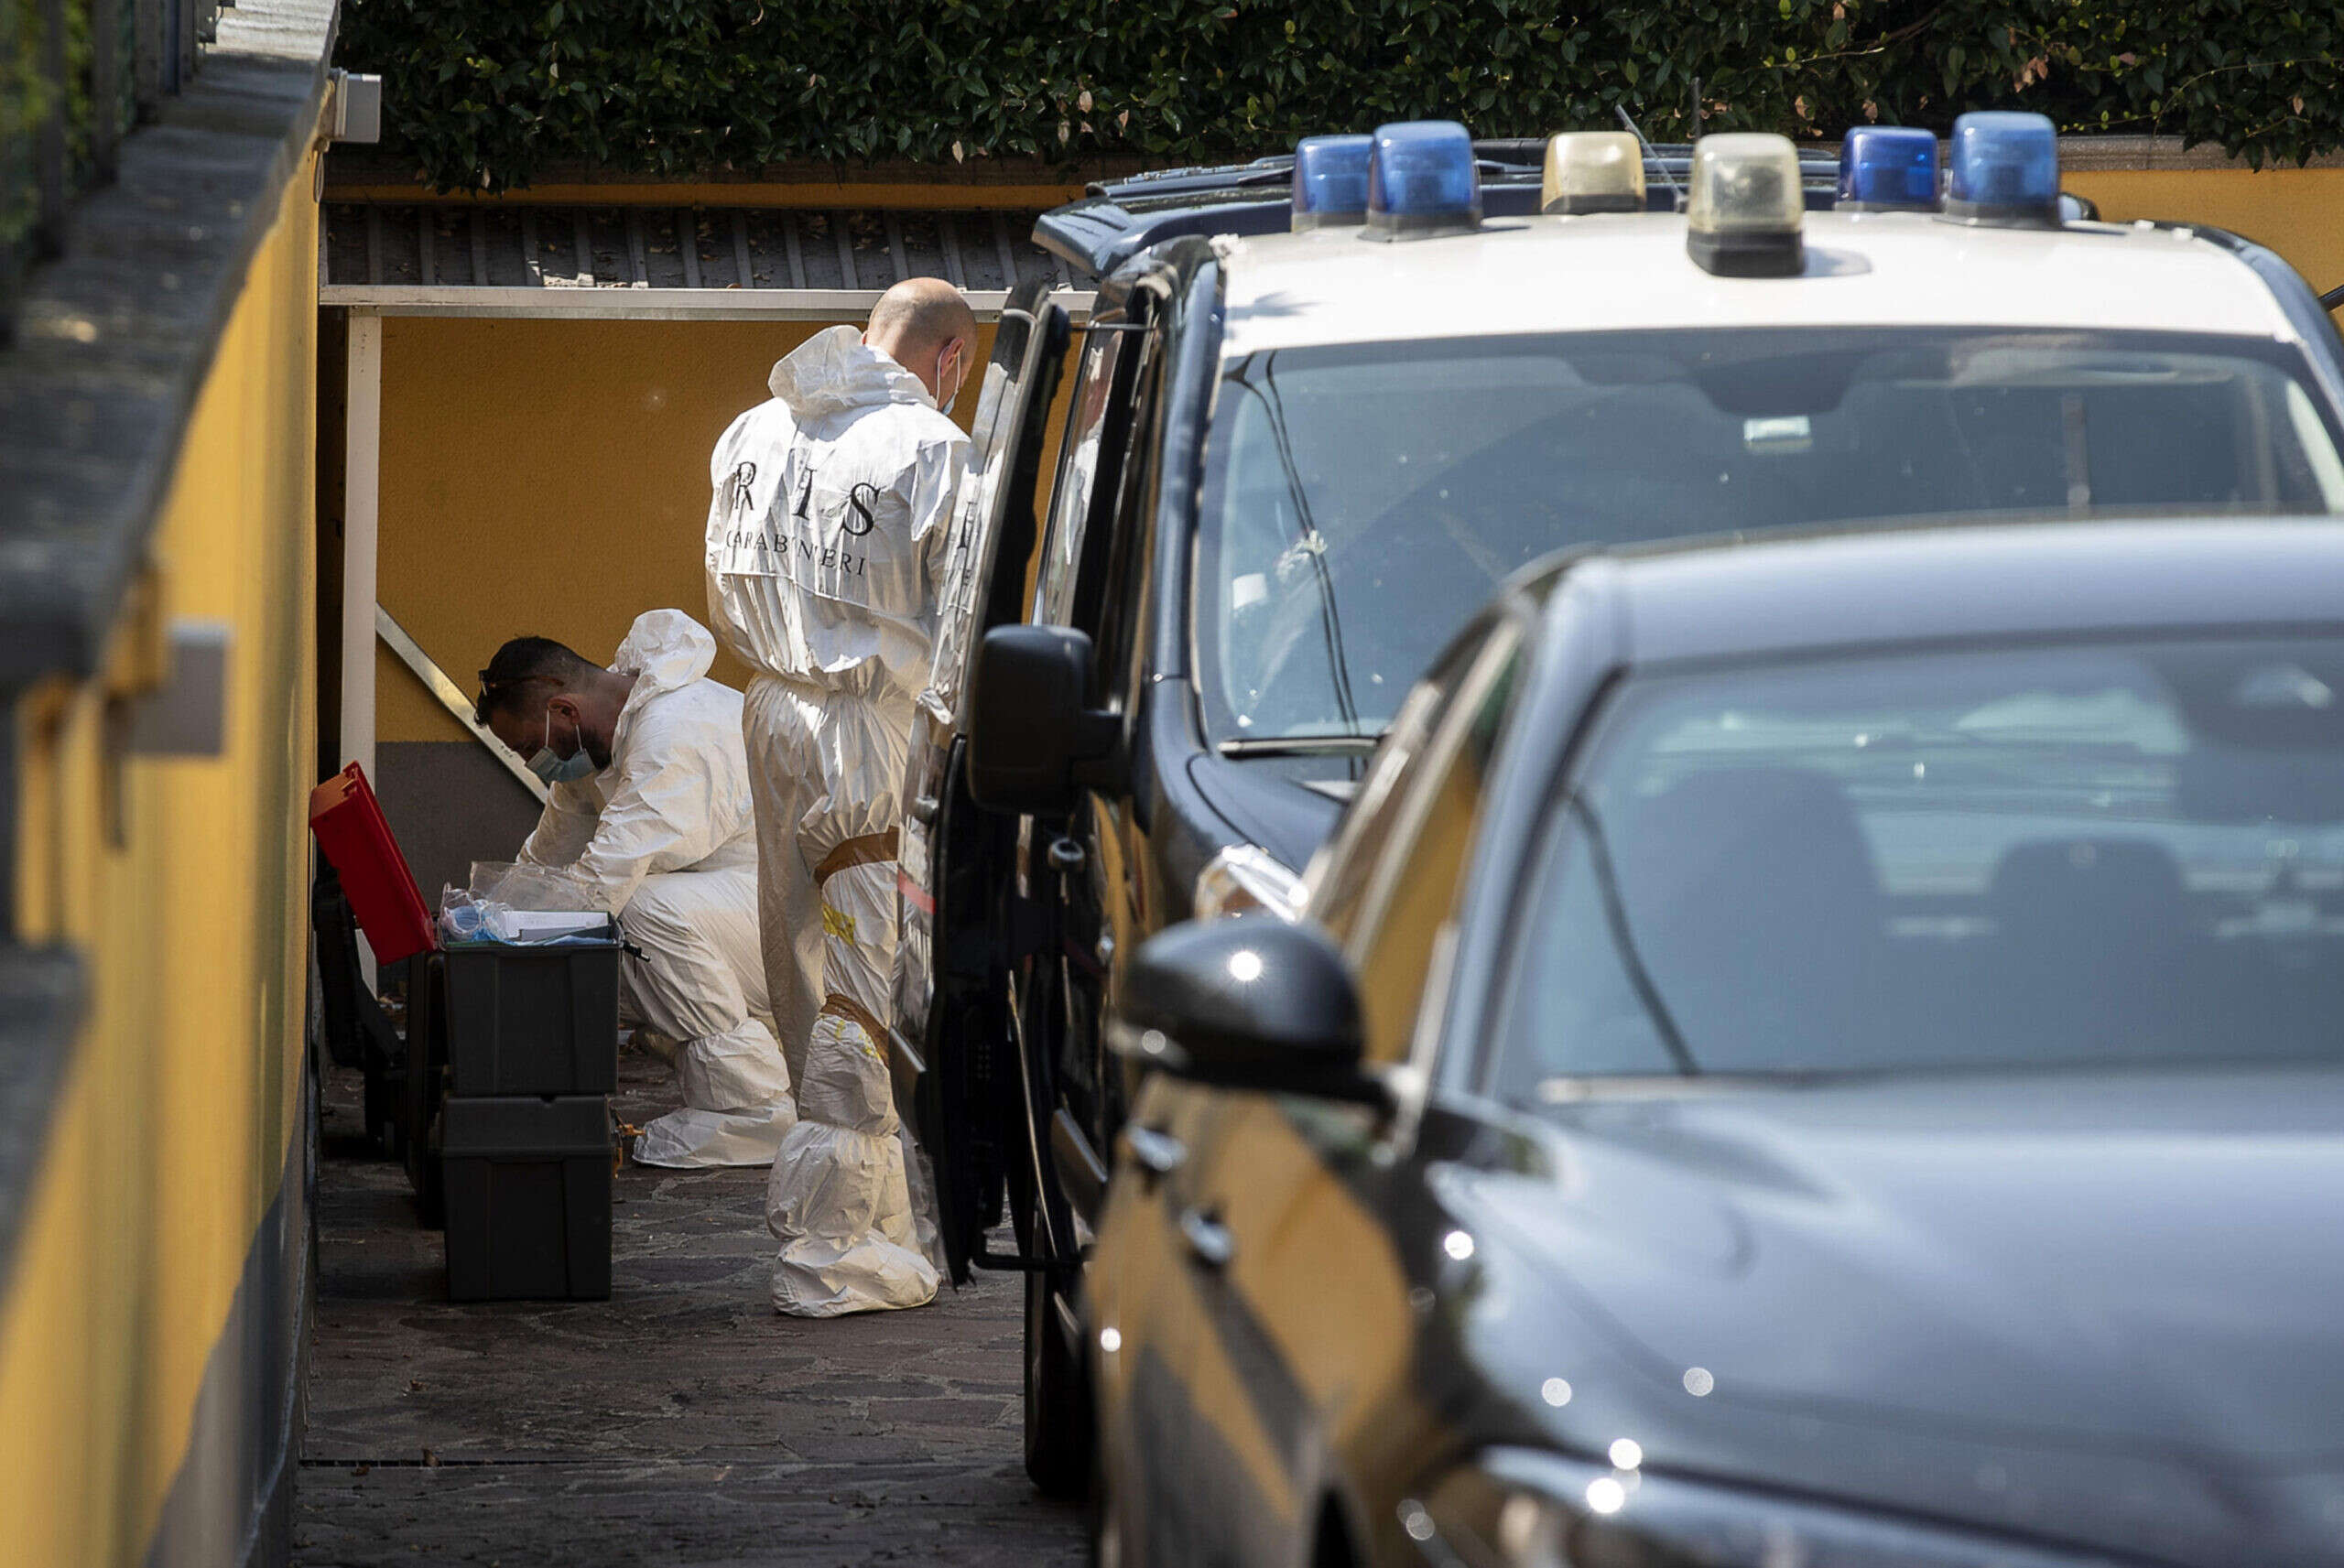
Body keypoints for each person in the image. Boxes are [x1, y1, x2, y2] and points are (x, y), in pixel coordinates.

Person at [704, 277, 974, 1316]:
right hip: (870, 726)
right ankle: (836, 1249)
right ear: (950, 361)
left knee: (802, 966)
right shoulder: (932, 450)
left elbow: (727, 584)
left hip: (769, 707)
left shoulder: (752, 430)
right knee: (870, 975)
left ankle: (870, 1214)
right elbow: (956, 625)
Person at [476, 610, 797, 1168]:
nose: (533, 763)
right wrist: (480, 922)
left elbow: (600, 886)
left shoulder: (673, 734)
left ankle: (756, 1109)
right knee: (607, 927)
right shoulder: (597, 747)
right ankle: (746, 1079)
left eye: (530, 747)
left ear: (564, 711)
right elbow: (548, 862)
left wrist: (500, 940)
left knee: (634, 913)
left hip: (788, 920)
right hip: (744, 908)